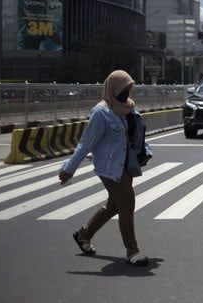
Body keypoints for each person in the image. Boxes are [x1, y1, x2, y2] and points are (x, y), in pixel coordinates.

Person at [58, 70, 152, 267]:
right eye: (124, 89)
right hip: (109, 168)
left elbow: (138, 134)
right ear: (113, 88)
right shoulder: (101, 113)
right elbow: (86, 143)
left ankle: (83, 234)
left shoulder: (129, 108)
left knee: (114, 205)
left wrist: (146, 152)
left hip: (127, 165)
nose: (126, 93)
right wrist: (69, 168)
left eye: (129, 88)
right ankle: (132, 251)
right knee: (127, 203)